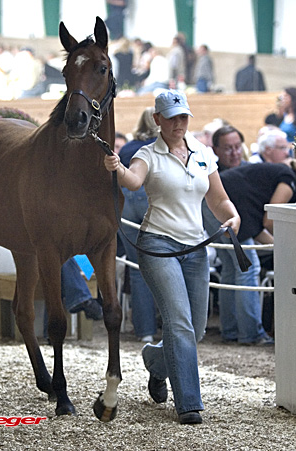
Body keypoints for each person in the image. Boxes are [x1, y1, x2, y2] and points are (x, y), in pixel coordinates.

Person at [104, 89, 241, 424]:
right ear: (157, 120)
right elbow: (134, 182)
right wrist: (117, 168)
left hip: (196, 249)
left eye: (183, 116)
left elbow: (218, 198)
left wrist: (233, 215)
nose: (179, 122)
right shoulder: (148, 155)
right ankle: (189, 404)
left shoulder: (204, 153)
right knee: (179, 323)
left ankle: (155, 362)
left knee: (194, 331)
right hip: (158, 245)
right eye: (172, 116)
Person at [203, 161, 296, 346]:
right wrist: (290, 244)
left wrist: (280, 245)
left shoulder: (275, 174)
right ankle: (251, 334)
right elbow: (269, 220)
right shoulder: (289, 181)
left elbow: (258, 228)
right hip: (228, 205)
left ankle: (231, 330)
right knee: (248, 268)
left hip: (211, 201)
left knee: (231, 268)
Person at [115, 107, 159, 342]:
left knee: (138, 265)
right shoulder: (161, 145)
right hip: (147, 195)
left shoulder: (129, 146)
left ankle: (146, 331)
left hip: (124, 201)